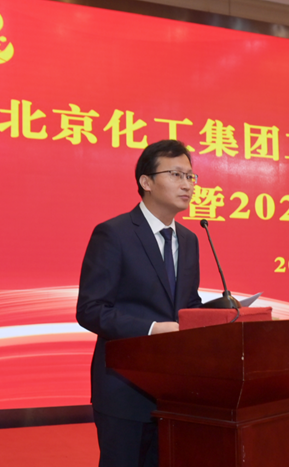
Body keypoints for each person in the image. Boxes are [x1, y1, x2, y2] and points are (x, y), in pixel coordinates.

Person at [76, 140, 202, 467]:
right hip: (125, 388)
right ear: (146, 182)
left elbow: (188, 304)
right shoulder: (114, 234)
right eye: (176, 175)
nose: (187, 185)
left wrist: (220, 315)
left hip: (175, 390)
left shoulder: (189, 240)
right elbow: (91, 309)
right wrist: (152, 329)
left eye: (190, 176)